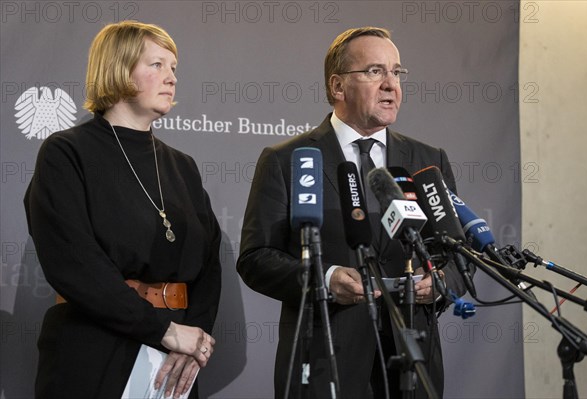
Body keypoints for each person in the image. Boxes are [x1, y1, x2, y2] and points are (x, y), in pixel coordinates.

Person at [237, 27, 468, 398]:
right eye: (375, 71)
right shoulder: (287, 160)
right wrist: (325, 279)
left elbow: (459, 255)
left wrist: (439, 282)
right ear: (337, 87)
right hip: (327, 357)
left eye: (396, 72)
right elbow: (255, 259)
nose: (391, 84)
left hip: (411, 362)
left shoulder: (428, 161)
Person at [24, 21, 221, 399]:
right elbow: (73, 262)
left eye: (174, 68)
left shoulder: (183, 166)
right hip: (95, 351)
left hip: (175, 358)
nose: (171, 78)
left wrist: (195, 341)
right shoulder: (67, 152)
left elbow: (210, 263)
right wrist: (164, 330)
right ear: (117, 68)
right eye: (157, 65)